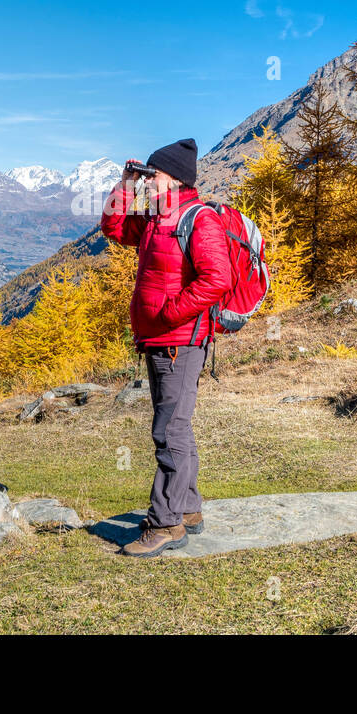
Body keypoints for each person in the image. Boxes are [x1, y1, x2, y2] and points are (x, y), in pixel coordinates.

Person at [99, 138, 231, 557]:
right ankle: (187, 507)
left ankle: (166, 523)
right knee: (177, 425)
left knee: (168, 429)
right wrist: (124, 184)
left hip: (179, 340)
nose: (148, 181)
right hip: (162, 338)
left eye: (153, 175)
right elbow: (114, 228)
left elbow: (217, 278)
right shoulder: (158, 216)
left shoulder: (199, 219)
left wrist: (170, 314)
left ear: (173, 178)